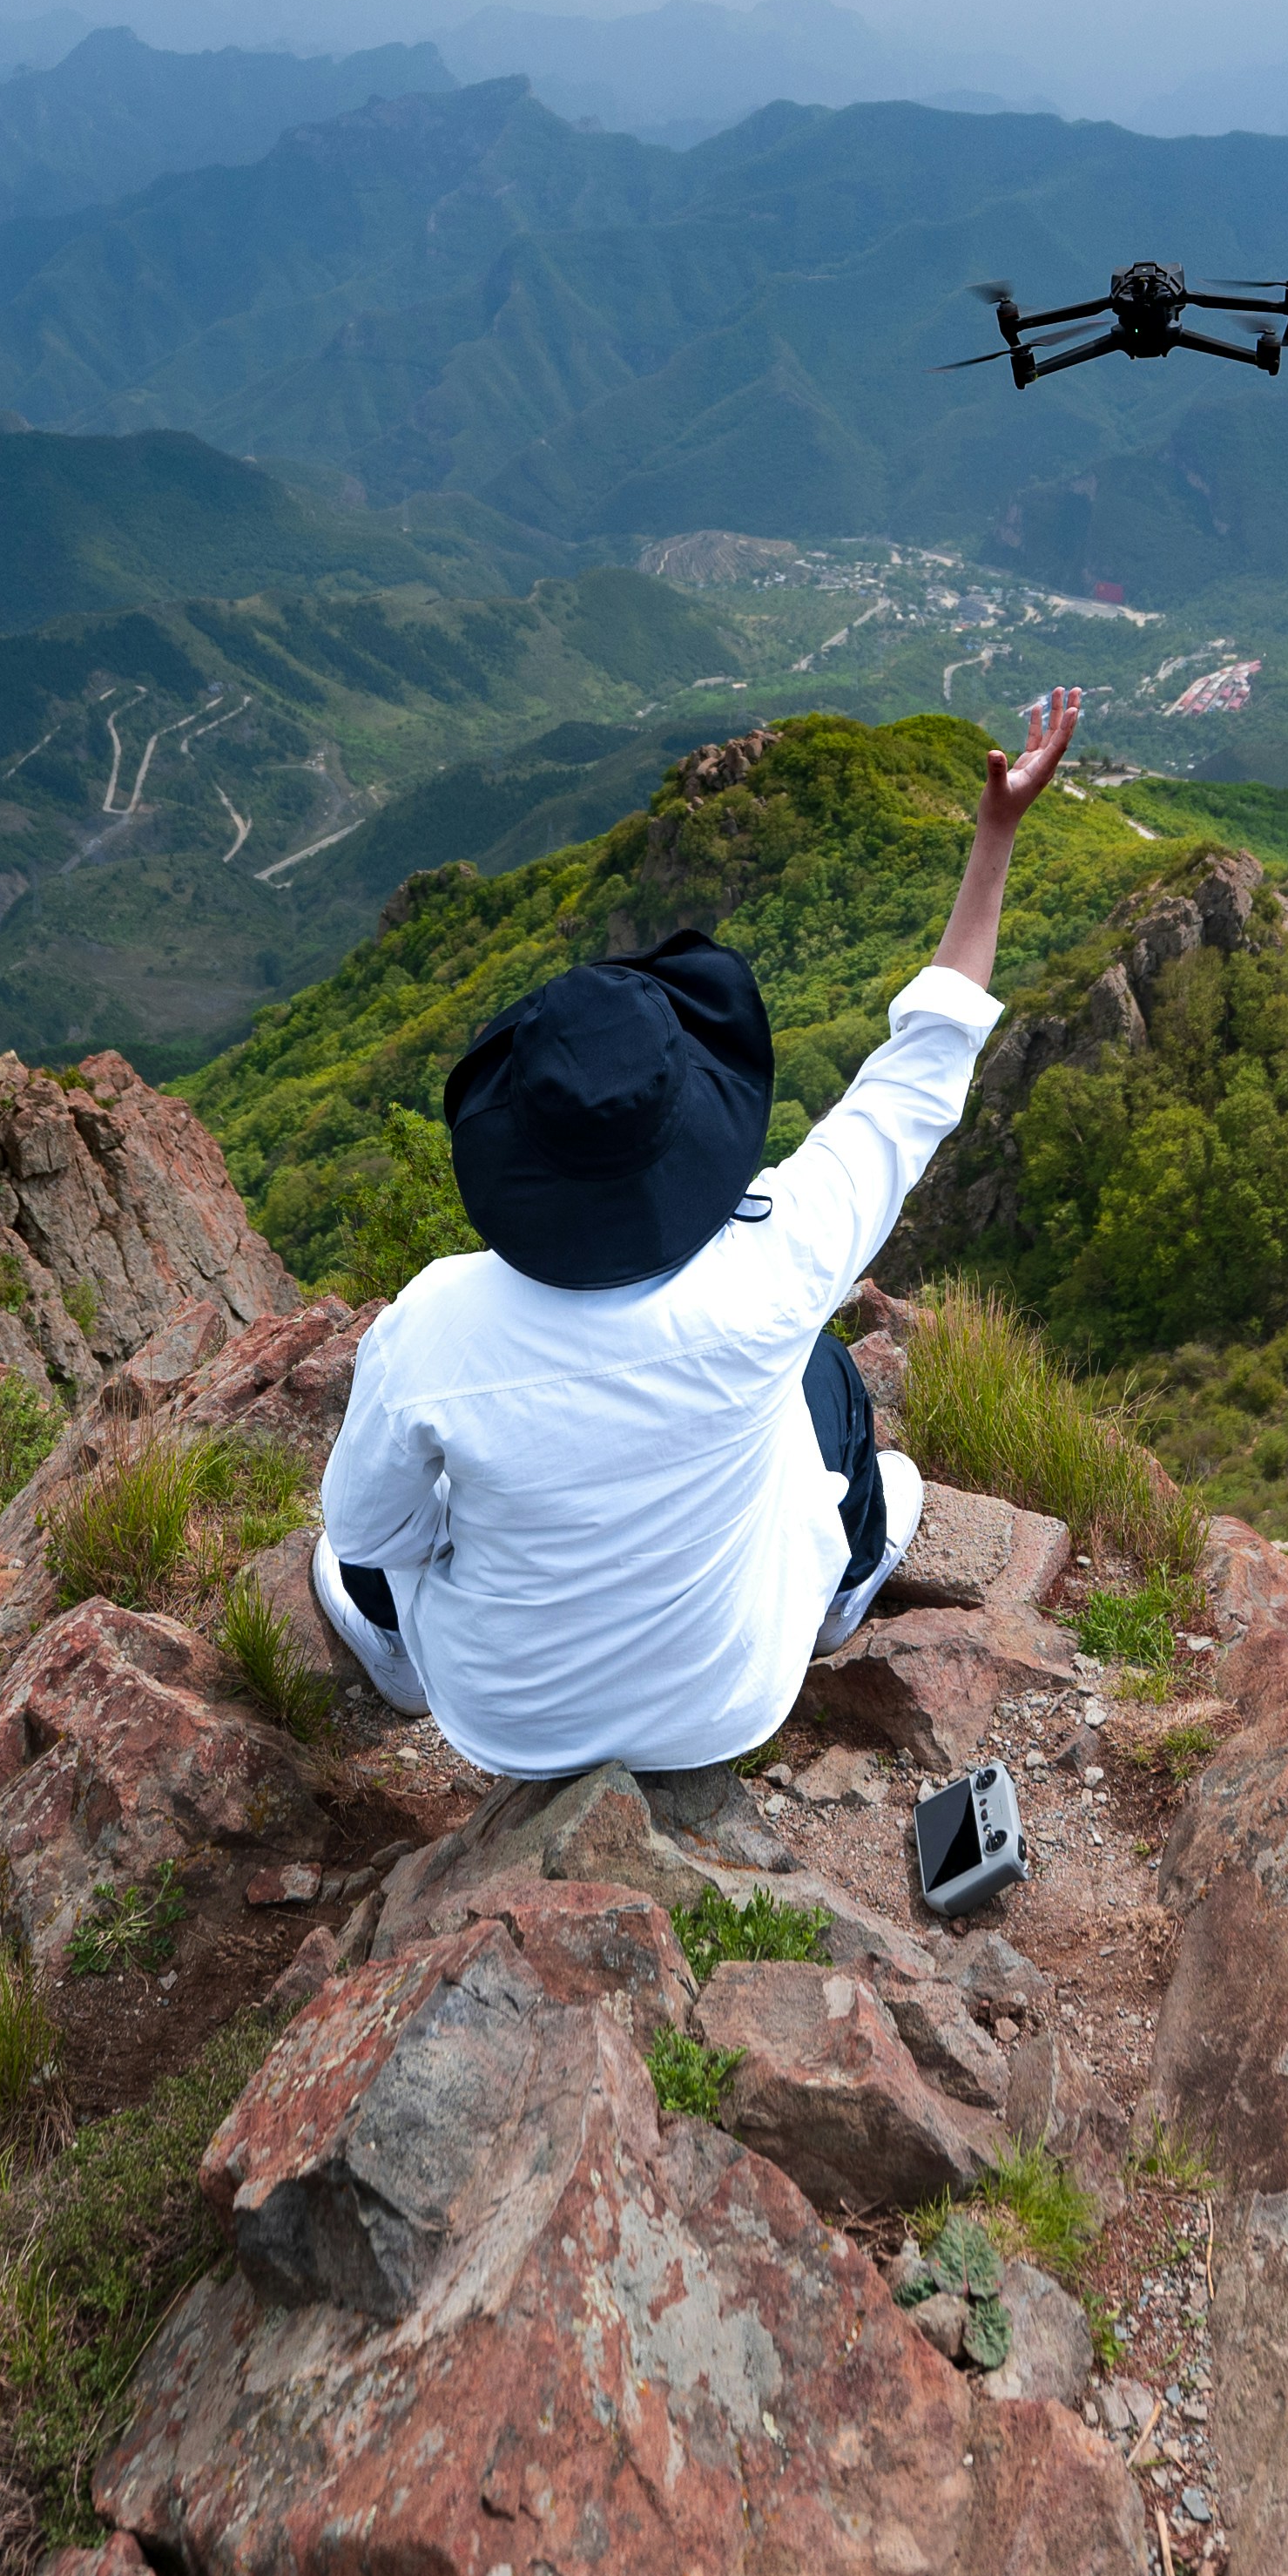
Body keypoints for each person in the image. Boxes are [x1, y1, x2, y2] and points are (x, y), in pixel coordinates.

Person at [312, 690, 1082, 1782]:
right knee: (822, 1378)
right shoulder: (779, 1257)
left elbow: (369, 1530)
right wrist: (997, 832)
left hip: (506, 1725)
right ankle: (847, 1574)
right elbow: (920, 1075)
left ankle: (398, 1660)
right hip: (729, 1700)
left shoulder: (433, 1326)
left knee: (387, 1520)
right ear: (693, 1123)